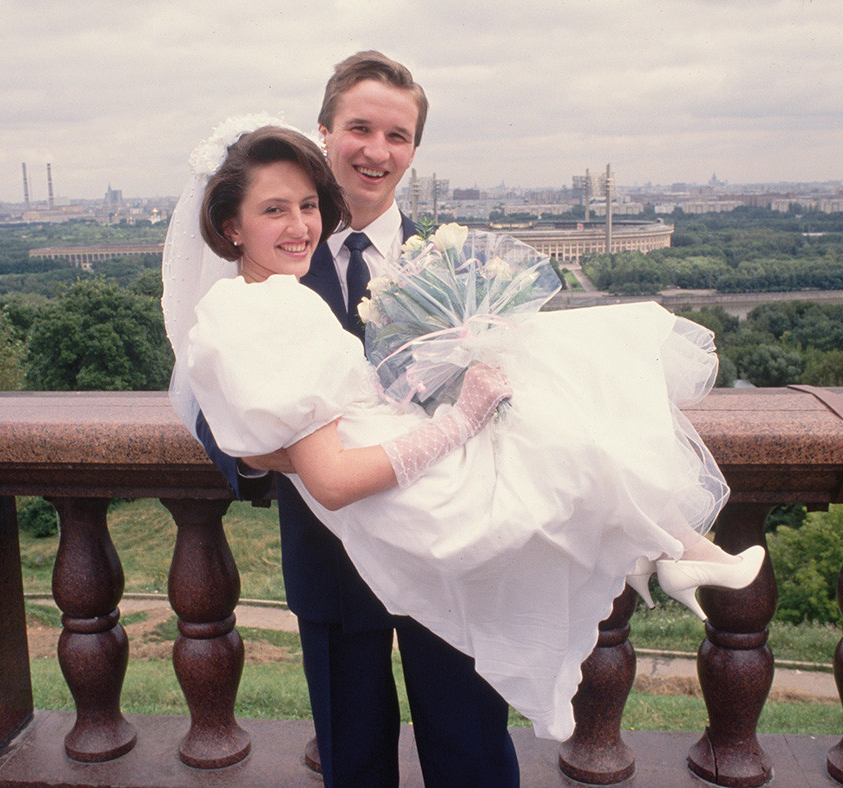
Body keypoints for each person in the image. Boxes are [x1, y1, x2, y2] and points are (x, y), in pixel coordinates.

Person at [163, 121, 764, 755]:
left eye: (309, 205)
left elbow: (258, 434)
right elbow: (323, 476)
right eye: (274, 209)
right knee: (571, 390)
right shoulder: (281, 307)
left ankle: (665, 547)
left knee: (558, 419)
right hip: (385, 510)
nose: (300, 224)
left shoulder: (235, 306)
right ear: (231, 226)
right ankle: (663, 547)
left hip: (391, 497)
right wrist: (463, 419)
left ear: (414, 149)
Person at [168, 52, 522, 787]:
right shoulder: (264, 265)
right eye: (359, 127)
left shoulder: (453, 264)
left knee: (473, 751)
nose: (376, 150)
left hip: (446, 547)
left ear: (414, 151)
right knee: (352, 760)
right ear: (325, 131)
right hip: (330, 557)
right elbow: (206, 391)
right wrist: (275, 456)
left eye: (397, 135)